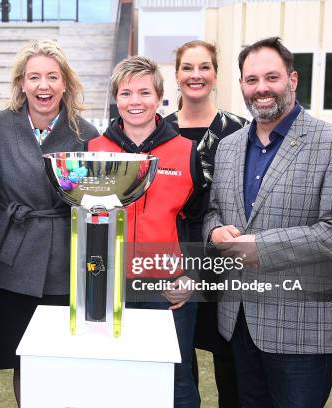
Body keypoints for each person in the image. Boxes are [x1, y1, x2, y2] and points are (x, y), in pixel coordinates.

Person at [203, 37, 332, 408]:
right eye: (251, 79)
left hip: (303, 328)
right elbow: (213, 210)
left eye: (271, 77)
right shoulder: (228, 146)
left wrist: (261, 247)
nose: (261, 88)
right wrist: (214, 231)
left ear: (292, 79)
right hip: (239, 320)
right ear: (241, 84)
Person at [0, 39, 98, 406]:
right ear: (21, 82)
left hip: (66, 258)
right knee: (23, 357)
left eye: (52, 77)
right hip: (11, 255)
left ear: (66, 82)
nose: (43, 86)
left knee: (63, 355)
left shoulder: (86, 133)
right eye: (34, 77)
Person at [87, 56, 205, 408]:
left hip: (167, 289)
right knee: (113, 380)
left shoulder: (185, 150)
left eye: (144, 92)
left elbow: (199, 218)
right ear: (116, 99)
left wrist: (191, 275)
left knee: (176, 380)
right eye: (126, 93)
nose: (135, 101)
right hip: (109, 288)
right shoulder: (95, 150)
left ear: (159, 98)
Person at [165, 40, 248, 408]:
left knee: (229, 359)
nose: (195, 75)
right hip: (171, 257)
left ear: (215, 73)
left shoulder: (240, 130)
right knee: (179, 361)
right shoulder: (159, 130)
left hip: (224, 255)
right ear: (176, 74)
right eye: (187, 67)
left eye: (204, 67)